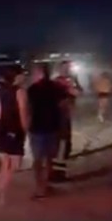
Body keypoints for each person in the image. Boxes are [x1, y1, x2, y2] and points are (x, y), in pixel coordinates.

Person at [27, 63, 67, 198]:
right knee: (49, 158)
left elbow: (28, 109)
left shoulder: (32, 89)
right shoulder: (57, 87)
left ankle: (40, 187)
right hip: (53, 127)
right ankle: (45, 185)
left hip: (37, 128)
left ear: (39, 73)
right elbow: (64, 107)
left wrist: (26, 126)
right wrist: (63, 126)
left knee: (38, 160)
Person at [0, 67, 29, 205]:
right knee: (15, 165)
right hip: (14, 130)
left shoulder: (2, 92)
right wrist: (25, 129)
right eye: (22, 74)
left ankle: (0, 195)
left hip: (1, 129)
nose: (24, 77)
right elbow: (23, 111)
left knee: (5, 165)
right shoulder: (20, 91)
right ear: (16, 77)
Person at [53, 61, 83, 181]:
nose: (67, 70)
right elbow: (75, 92)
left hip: (65, 116)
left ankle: (60, 171)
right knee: (62, 144)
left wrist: (75, 80)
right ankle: (57, 173)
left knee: (65, 145)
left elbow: (79, 92)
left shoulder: (70, 81)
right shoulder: (58, 82)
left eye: (68, 68)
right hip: (60, 117)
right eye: (65, 68)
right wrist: (72, 84)